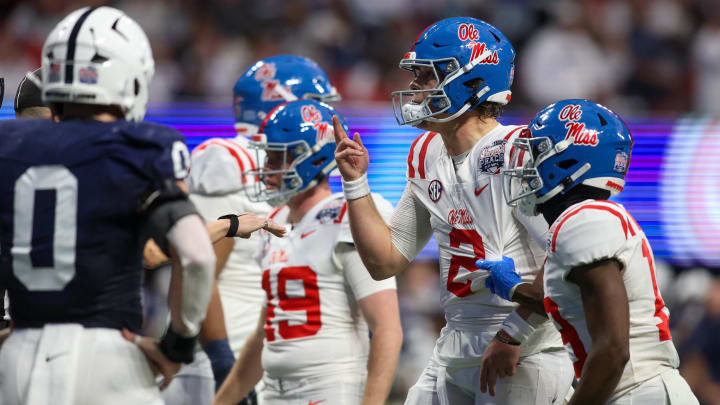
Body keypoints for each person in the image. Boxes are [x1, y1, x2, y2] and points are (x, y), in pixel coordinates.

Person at [0, 7, 275, 405]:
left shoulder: (8, 145)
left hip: (16, 358)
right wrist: (176, 347)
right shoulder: (142, 145)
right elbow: (195, 255)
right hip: (106, 354)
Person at [333, 17, 573, 404]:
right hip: (455, 343)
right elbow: (385, 262)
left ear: (471, 82)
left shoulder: (518, 151)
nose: (414, 88)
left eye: (426, 76)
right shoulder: (425, 152)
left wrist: (515, 332)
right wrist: (355, 183)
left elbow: (568, 256)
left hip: (525, 349)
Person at [483, 99, 699, 404]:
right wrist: (516, 291)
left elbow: (612, 351)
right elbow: (580, 307)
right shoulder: (588, 218)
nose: (526, 165)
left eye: (537, 153)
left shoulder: (583, 220)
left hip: (637, 392)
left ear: (570, 161)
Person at [154, 54, 342, 405]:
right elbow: (199, 265)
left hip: (264, 358)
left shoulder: (294, 165)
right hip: (219, 359)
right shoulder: (233, 159)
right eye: (317, 105)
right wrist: (222, 358)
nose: (323, 118)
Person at [213, 99, 403, 405]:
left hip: (330, 390)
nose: (267, 169)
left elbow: (387, 328)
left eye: (276, 158)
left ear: (311, 159)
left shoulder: (345, 216)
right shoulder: (274, 224)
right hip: (274, 392)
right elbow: (265, 334)